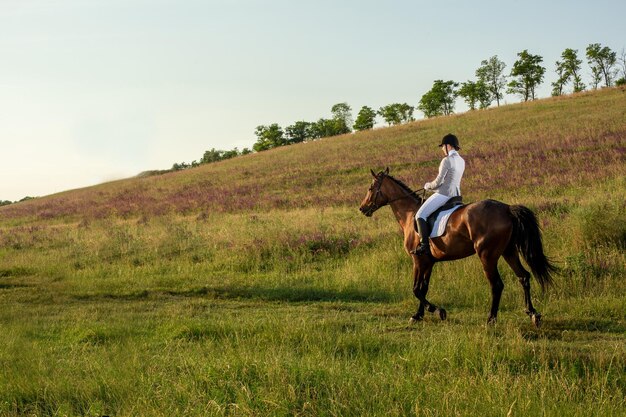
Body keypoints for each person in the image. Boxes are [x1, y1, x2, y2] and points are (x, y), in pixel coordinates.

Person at [411, 133, 465, 255]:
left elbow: (438, 182)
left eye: (443, 146)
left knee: (420, 215)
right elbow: (450, 181)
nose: (442, 149)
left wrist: (428, 186)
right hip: (456, 195)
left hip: (445, 194)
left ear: (448, 146)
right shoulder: (462, 160)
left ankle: (424, 246)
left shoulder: (446, 160)